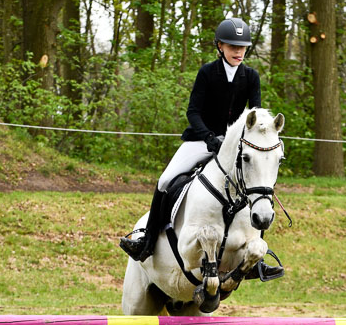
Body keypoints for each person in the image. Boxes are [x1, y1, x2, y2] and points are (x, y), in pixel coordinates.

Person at [120, 17, 283, 279]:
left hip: (234, 147)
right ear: (220, 46)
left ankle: (257, 259)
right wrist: (209, 138)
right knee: (165, 181)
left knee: (256, 186)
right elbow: (193, 112)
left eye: (242, 47)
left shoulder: (251, 76)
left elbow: (256, 115)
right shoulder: (208, 73)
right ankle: (147, 241)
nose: (238, 52)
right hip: (201, 140)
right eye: (232, 46)